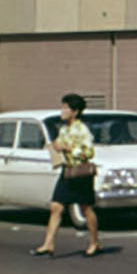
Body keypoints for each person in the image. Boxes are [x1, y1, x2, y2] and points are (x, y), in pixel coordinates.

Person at [33, 92, 103, 258]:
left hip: (80, 173)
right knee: (56, 207)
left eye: (66, 108)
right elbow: (59, 143)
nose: (62, 110)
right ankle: (48, 244)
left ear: (75, 111)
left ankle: (94, 242)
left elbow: (89, 152)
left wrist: (69, 149)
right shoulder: (64, 129)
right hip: (67, 171)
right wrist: (55, 147)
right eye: (62, 107)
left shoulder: (82, 129)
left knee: (86, 209)